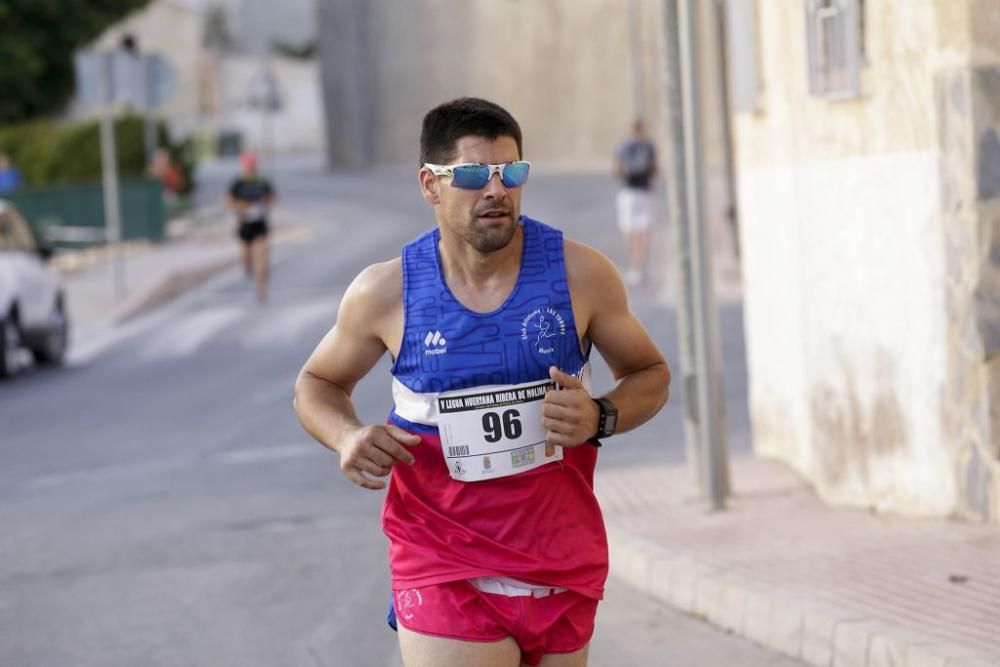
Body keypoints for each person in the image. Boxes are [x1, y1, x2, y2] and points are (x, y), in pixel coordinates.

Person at [294, 97, 670, 667]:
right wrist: (346, 436)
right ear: (430, 185)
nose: (496, 189)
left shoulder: (580, 275)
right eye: (472, 174)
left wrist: (601, 417)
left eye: (510, 172)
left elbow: (650, 373)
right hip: (442, 561)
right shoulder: (386, 292)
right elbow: (317, 382)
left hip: (559, 559)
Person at [613, 119, 658, 286]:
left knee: (638, 232)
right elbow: (655, 168)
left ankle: (637, 266)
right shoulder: (643, 146)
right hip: (636, 192)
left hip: (635, 192)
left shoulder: (630, 146)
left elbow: (616, 170)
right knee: (635, 232)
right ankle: (636, 265)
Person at [225, 151, 275, 303]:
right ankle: (248, 268)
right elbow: (228, 200)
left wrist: (265, 205)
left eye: (252, 167)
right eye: (248, 167)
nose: (250, 170)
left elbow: (272, 197)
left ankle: (261, 288)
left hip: (260, 225)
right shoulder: (238, 183)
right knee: (245, 256)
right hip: (245, 226)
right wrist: (240, 207)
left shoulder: (262, 181)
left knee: (262, 258)